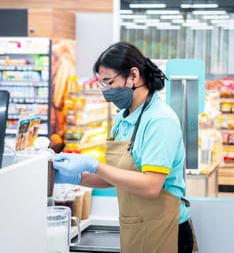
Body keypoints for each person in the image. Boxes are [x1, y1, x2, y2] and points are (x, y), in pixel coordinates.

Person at [53, 41, 194, 253]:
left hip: (166, 231)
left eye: (109, 82)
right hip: (136, 228)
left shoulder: (160, 120)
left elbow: (150, 186)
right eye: (103, 84)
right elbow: (117, 176)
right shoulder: (123, 118)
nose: (107, 91)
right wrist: (75, 177)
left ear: (134, 76)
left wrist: (95, 166)